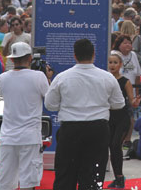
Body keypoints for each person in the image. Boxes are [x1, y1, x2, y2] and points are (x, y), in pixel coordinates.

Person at [45, 39, 125, 190]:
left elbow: (50, 104)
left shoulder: (62, 77)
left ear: (74, 56)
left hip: (70, 129)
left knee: (65, 175)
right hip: (98, 129)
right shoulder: (107, 77)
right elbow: (118, 104)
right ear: (94, 54)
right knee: (93, 176)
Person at [0, 42, 50, 190]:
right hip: (30, 136)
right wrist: (48, 77)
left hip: (8, 135)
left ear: (12, 59)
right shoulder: (39, 77)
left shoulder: (2, 78)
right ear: (30, 58)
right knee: (28, 180)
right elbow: (49, 101)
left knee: (5, 179)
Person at [105, 53, 140, 189]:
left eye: (115, 62)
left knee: (115, 146)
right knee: (110, 147)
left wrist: (135, 102)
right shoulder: (105, 79)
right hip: (108, 117)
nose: (112, 65)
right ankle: (118, 178)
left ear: (120, 65)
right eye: (110, 62)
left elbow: (132, 101)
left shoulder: (125, 81)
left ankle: (119, 178)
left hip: (122, 118)